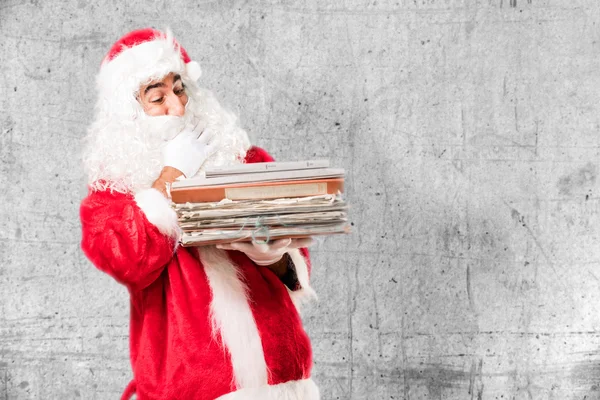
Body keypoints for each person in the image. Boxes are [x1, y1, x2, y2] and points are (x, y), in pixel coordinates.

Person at [80, 28, 319, 400]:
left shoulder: (247, 161)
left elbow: (294, 271)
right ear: (127, 115)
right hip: (189, 387)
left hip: (281, 379)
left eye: (179, 90)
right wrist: (173, 176)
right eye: (157, 98)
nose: (177, 107)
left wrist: (271, 254)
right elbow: (129, 260)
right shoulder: (111, 198)